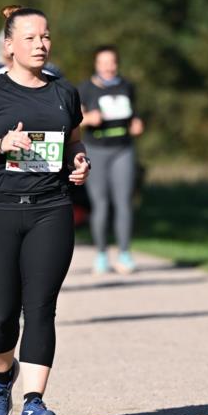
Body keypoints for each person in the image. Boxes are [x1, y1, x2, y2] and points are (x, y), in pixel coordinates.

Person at [0, 5, 91, 415]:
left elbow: (74, 140)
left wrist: (79, 162)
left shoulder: (64, 93)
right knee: (2, 315)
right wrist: (2, 143)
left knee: (41, 309)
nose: (41, 44)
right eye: (31, 38)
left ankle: (34, 404)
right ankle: (2, 376)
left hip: (50, 208)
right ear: (9, 46)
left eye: (46, 37)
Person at [78, 45, 144, 274]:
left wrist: (136, 123)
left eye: (111, 62)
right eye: (103, 63)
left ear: (117, 64)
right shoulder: (85, 88)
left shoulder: (127, 86)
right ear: (96, 65)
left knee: (124, 202)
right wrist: (88, 118)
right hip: (96, 149)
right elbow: (73, 121)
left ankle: (125, 254)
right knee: (101, 204)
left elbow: (133, 114)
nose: (108, 67)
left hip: (123, 148)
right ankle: (101, 254)